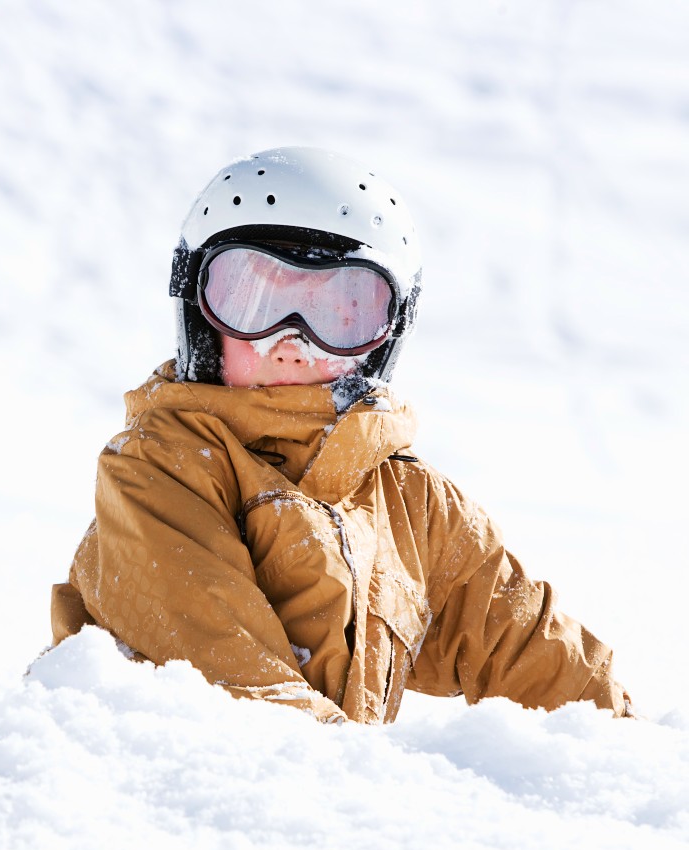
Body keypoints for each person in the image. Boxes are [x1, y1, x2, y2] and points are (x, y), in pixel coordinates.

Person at [49, 146, 632, 725]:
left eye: (339, 312)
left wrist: (640, 767)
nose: (292, 342)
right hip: (171, 797)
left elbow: (543, 660)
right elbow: (240, 706)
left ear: (384, 335)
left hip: (323, 804)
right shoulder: (161, 467)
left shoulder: (411, 506)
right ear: (201, 316)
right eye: (251, 300)